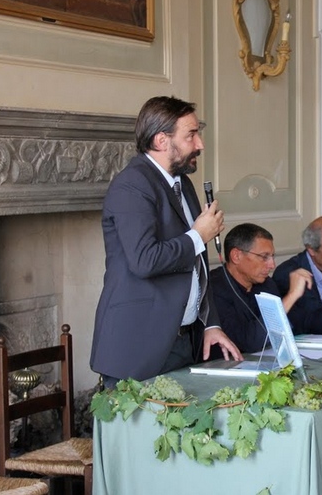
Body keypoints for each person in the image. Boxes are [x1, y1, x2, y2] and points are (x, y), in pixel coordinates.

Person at [90, 96, 242, 388]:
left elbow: (195, 263)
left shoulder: (181, 181)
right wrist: (198, 235)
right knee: (141, 435)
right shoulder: (132, 185)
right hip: (138, 346)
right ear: (161, 140)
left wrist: (210, 323)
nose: (200, 144)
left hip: (182, 341)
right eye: (191, 135)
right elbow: (145, 260)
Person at [208, 223, 312, 355]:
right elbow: (249, 342)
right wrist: (291, 295)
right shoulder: (215, 288)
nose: (272, 265)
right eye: (264, 257)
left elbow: (288, 331)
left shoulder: (266, 284)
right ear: (236, 256)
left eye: (272, 257)